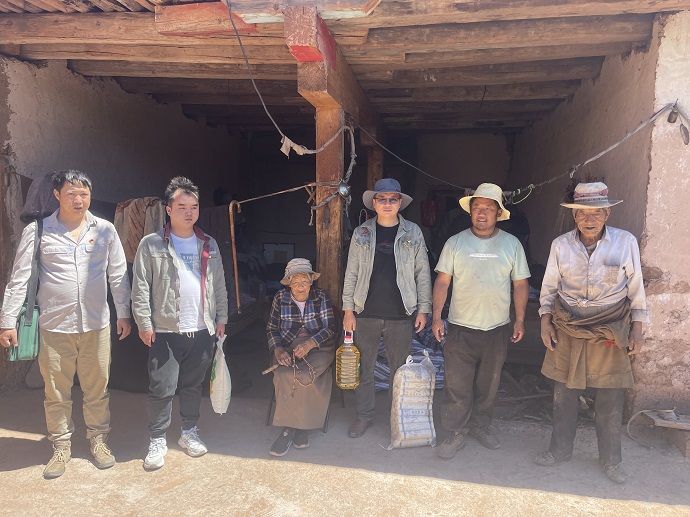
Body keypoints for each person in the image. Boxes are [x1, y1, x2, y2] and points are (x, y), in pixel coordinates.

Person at [0, 170, 132, 479]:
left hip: (96, 326)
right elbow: (19, 278)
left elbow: (117, 274)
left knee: (97, 389)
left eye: (84, 194)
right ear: (57, 195)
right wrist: (7, 321)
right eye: (71, 193)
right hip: (55, 326)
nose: (78, 199)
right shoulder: (38, 230)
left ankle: (98, 440)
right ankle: (60, 445)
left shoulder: (105, 230)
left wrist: (124, 313)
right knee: (56, 392)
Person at [533, 182, 648, 484]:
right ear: (574, 216)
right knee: (563, 394)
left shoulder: (625, 242)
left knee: (610, 397)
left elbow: (636, 289)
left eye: (596, 213)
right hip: (568, 325)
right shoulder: (561, 245)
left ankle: (611, 461)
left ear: (607, 214)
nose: (589, 219)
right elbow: (549, 287)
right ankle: (559, 451)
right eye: (582, 213)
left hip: (610, 327)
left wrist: (637, 328)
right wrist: (545, 322)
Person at [131, 176, 228, 471]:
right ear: (169, 209)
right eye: (182, 206)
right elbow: (140, 286)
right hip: (164, 330)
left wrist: (222, 318)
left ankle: (188, 432)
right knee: (162, 387)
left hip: (201, 328)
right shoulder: (151, 244)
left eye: (194, 207)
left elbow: (219, 285)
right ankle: (157, 439)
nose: (189, 212)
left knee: (192, 385)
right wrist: (143, 322)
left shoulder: (208, 243)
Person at [432, 183, 530, 460]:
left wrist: (520, 320)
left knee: (488, 384)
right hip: (461, 327)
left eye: (488, 208)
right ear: (470, 212)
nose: (482, 213)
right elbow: (442, 281)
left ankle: (480, 425)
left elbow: (521, 284)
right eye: (477, 208)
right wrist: (437, 316)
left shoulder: (511, 244)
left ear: (498, 213)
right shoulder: (455, 243)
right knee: (456, 384)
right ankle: (455, 431)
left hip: (496, 328)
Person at [342, 178, 432, 438]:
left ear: (400, 203)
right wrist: (348, 310)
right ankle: (364, 416)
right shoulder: (362, 233)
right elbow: (351, 273)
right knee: (364, 369)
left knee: (399, 371)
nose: (388, 203)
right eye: (382, 199)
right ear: (374, 203)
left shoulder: (413, 232)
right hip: (365, 312)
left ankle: (398, 418)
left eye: (393, 199)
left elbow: (422, 272)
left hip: (400, 313)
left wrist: (423, 309)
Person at [266, 258, 335, 456]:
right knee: (283, 374)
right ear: (289, 283)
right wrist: (278, 350)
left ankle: (299, 428)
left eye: (304, 281)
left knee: (305, 375)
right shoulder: (280, 297)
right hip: (288, 346)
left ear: (311, 281)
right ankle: (291, 428)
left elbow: (330, 328)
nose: (300, 286)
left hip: (319, 346)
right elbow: (271, 328)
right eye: (295, 282)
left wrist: (310, 343)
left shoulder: (320, 296)